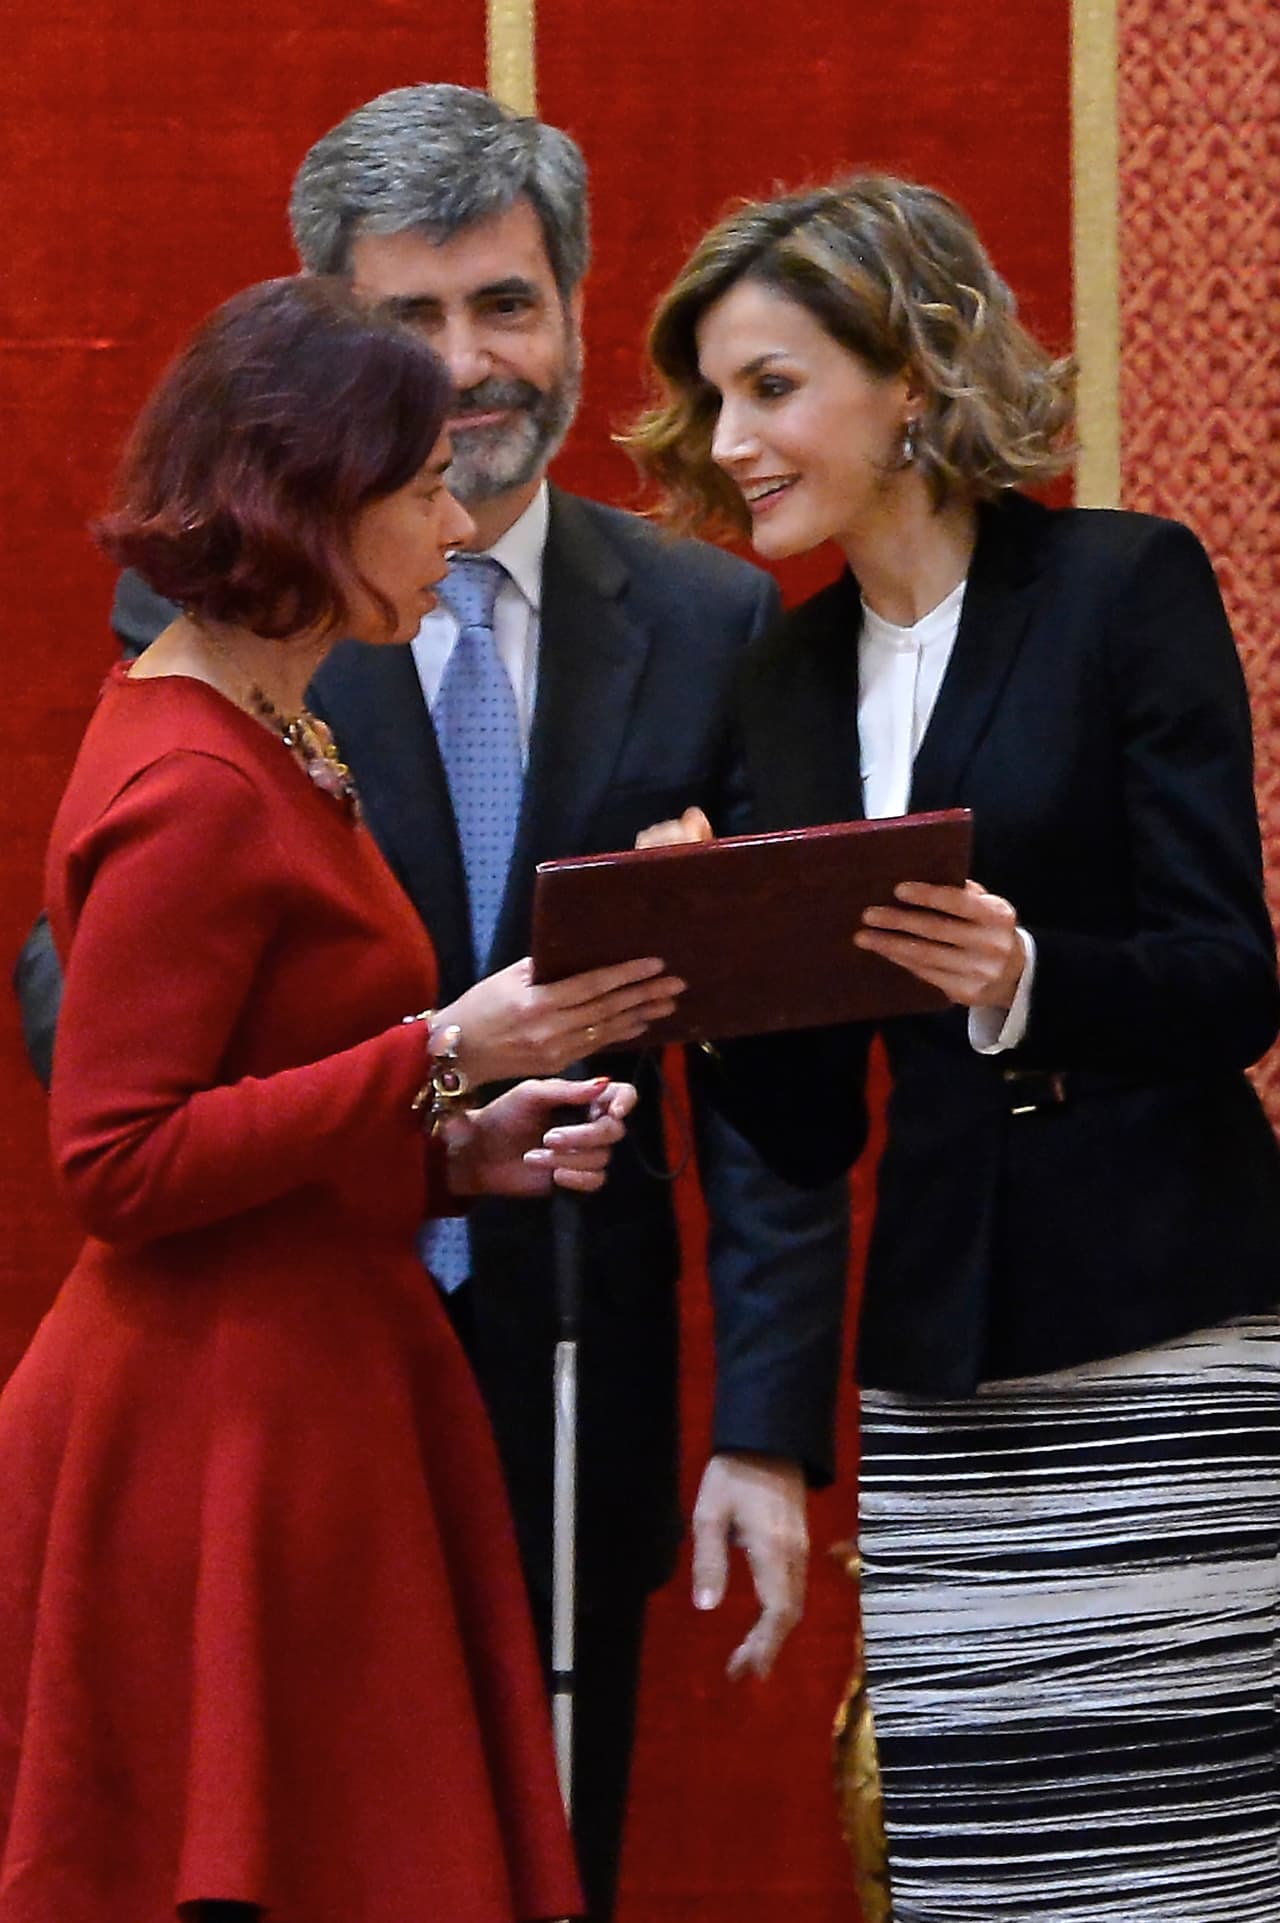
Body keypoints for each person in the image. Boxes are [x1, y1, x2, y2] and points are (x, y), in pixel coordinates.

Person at [12, 85, 852, 1922]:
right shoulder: (209, 688)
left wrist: (466, 1147)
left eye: (506, 305)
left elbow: (772, 1082)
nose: (466, 395)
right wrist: (443, 1059)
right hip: (250, 1405)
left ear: (574, 307)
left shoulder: (703, 620)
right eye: (412, 328)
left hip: (551, 1361)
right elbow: (113, 1076)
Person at [626, 175, 1280, 1921]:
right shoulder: (782, 679)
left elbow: (1232, 979)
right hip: (938, 1360)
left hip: (1171, 1322)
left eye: (772, 387)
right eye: (716, 398)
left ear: (910, 377)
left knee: (1182, 1864)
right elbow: (805, 1130)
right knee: (983, 1865)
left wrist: (1027, 975)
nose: (732, 442)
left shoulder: (1123, 584)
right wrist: (716, 970)